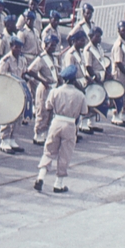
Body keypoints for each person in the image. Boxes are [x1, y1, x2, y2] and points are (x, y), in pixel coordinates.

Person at [33, 64, 86, 193]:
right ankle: (58, 184)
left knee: (49, 151)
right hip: (70, 124)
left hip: (56, 122)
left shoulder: (55, 91)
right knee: (65, 154)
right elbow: (84, 112)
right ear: (74, 80)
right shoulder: (80, 95)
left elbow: (48, 107)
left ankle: (41, 177)